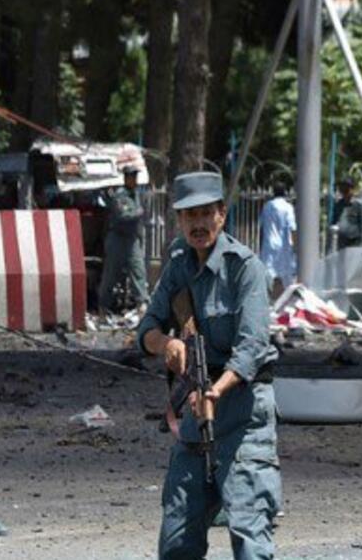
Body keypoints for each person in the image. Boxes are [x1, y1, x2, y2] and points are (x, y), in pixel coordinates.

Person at [137, 171, 281, 559]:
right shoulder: (179, 265)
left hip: (243, 408)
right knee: (178, 533)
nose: (198, 224)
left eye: (205, 213)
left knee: (250, 531)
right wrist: (166, 344)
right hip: (197, 412)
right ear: (179, 220)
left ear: (222, 214)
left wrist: (216, 391)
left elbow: (252, 347)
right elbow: (146, 328)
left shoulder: (244, 268)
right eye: (189, 216)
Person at [98, 164, 148, 314]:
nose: (135, 180)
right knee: (111, 274)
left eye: (136, 176)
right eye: (132, 177)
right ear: (126, 178)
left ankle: (142, 304)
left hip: (131, 240)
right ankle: (103, 305)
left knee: (138, 270)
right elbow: (124, 215)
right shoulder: (121, 195)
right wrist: (140, 211)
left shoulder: (135, 194)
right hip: (118, 239)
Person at [258, 182, 297, 297]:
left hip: (268, 244)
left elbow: (262, 227)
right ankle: (281, 299)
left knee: (269, 273)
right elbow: (292, 228)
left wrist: (261, 245)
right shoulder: (288, 207)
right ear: (285, 193)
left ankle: (271, 298)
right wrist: (295, 247)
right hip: (284, 246)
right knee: (284, 275)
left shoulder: (267, 206)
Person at [329, 178, 362, 249]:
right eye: (343, 190)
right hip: (340, 241)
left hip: (353, 242)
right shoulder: (338, 205)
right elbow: (334, 221)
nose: (345, 193)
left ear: (352, 190)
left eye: (347, 190)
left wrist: (361, 243)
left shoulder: (358, 205)